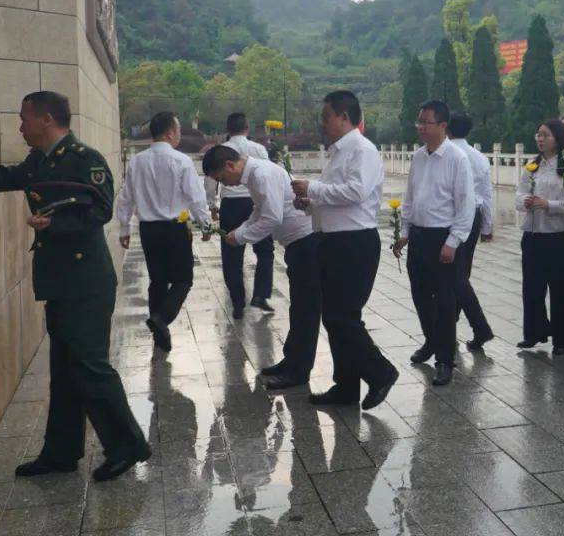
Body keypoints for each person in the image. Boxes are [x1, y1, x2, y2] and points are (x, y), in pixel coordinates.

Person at [0, 91, 150, 482]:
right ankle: (60, 451)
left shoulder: (85, 159)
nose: (20, 126)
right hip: (59, 279)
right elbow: (4, 176)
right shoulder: (41, 160)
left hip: (86, 279)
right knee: (65, 366)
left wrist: (54, 224)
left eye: (24, 119)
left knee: (90, 366)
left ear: (47, 119)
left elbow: (101, 210)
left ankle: (128, 445)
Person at [291, 91, 399, 409]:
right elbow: (338, 198)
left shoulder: (362, 150)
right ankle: (347, 386)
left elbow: (356, 192)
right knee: (334, 316)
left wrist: (313, 188)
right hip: (333, 240)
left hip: (353, 243)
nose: (323, 123)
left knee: (343, 317)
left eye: (326, 116)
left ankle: (381, 372)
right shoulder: (339, 152)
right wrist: (311, 203)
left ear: (344, 117)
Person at [203, 145, 321, 390]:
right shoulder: (256, 174)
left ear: (229, 165)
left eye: (223, 179)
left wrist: (241, 237)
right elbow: (259, 211)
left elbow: (271, 218)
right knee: (298, 308)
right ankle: (292, 361)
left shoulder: (260, 175)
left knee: (305, 309)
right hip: (296, 243)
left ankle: (299, 371)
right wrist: (241, 230)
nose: (228, 185)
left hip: (306, 243)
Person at [393, 101, 475, 386]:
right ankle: (431, 342)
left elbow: (466, 206)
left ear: (443, 126)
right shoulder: (418, 157)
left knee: (445, 301)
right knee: (420, 296)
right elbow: (410, 197)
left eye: (426, 122)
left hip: (445, 238)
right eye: (419, 122)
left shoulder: (456, 158)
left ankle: (444, 360)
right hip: (419, 236)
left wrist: (453, 242)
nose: (421, 127)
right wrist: (404, 230)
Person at [115, 111, 210, 352]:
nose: (179, 135)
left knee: (157, 281)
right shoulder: (181, 161)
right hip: (175, 230)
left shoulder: (136, 162)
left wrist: (125, 227)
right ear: (169, 133)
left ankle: (160, 337)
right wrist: (206, 224)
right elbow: (195, 197)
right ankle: (161, 320)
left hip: (149, 230)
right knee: (183, 279)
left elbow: (125, 198)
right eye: (177, 131)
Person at [515, 119, 564, 356]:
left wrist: (548, 204)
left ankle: (563, 339)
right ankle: (533, 333)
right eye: (538, 134)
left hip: (559, 237)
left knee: (561, 289)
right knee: (532, 288)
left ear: (558, 138)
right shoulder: (532, 166)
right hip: (532, 235)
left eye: (546, 135)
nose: (540, 139)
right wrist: (526, 202)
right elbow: (518, 196)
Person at [204, 112, 274, 317]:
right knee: (264, 251)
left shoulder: (222, 151)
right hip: (255, 201)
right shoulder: (259, 148)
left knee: (231, 253)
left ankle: (237, 302)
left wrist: (212, 205)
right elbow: (268, 172)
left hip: (231, 205)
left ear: (228, 129)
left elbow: (210, 180)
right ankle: (261, 294)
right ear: (247, 128)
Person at [447, 113, 495, 350]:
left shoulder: (447, 154)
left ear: (446, 128)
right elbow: (486, 195)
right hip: (474, 217)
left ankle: (480, 327)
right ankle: (451, 322)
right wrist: (487, 226)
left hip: (452, 218)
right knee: (461, 272)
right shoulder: (478, 157)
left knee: (456, 276)